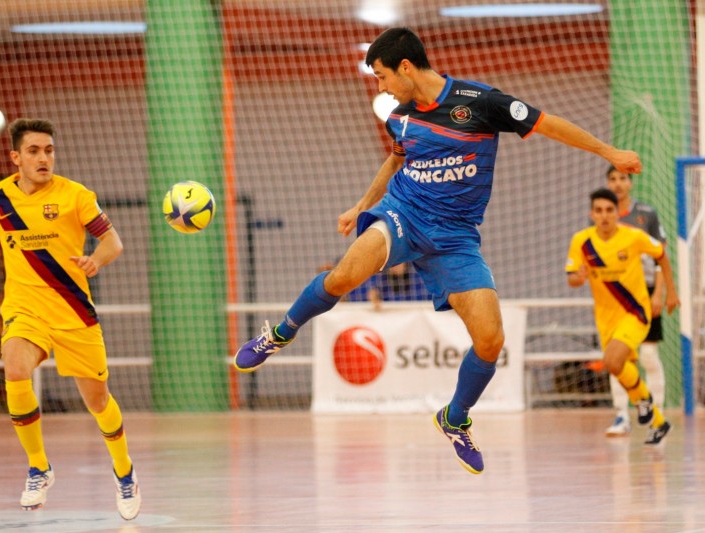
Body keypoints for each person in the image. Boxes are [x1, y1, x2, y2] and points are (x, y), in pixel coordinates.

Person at [233, 27, 643, 474]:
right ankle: (280, 334)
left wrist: (610, 152)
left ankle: (455, 417)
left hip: (456, 237)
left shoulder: (482, 102)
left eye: (382, 76)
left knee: (491, 340)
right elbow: (396, 158)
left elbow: (549, 124)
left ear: (406, 67)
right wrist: (361, 205)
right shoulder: (400, 117)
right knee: (345, 275)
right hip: (403, 215)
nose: (381, 87)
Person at [0, 118, 141, 519]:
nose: (43, 157)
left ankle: (125, 472)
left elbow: (112, 242)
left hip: (73, 312)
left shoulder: (76, 196)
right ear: (16, 157)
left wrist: (95, 260)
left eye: (48, 150)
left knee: (98, 402)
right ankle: (38, 466)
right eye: (33, 151)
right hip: (24, 309)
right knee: (14, 369)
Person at [566, 188, 678, 445]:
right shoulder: (581, 241)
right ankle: (658, 422)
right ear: (591, 214)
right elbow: (572, 277)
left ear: (618, 213)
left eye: (609, 210)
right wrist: (579, 278)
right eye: (599, 211)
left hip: (635, 311)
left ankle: (645, 403)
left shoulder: (634, 237)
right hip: (605, 319)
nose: (604, 216)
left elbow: (662, 255)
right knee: (619, 367)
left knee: (613, 362)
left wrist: (669, 292)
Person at [604, 166, 668, 437]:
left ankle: (657, 412)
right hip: (617, 299)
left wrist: (659, 293)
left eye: (622, 179)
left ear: (630, 183)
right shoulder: (603, 216)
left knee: (649, 356)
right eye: (613, 179)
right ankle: (622, 415)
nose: (618, 184)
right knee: (618, 359)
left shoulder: (646, 214)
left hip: (646, 293)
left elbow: (661, 255)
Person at [345, 262, 430, 310]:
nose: (395, 265)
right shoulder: (378, 280)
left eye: (399, 261)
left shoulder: (419, 278)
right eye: (393, 261)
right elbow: (351, 297)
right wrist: (371, 297)